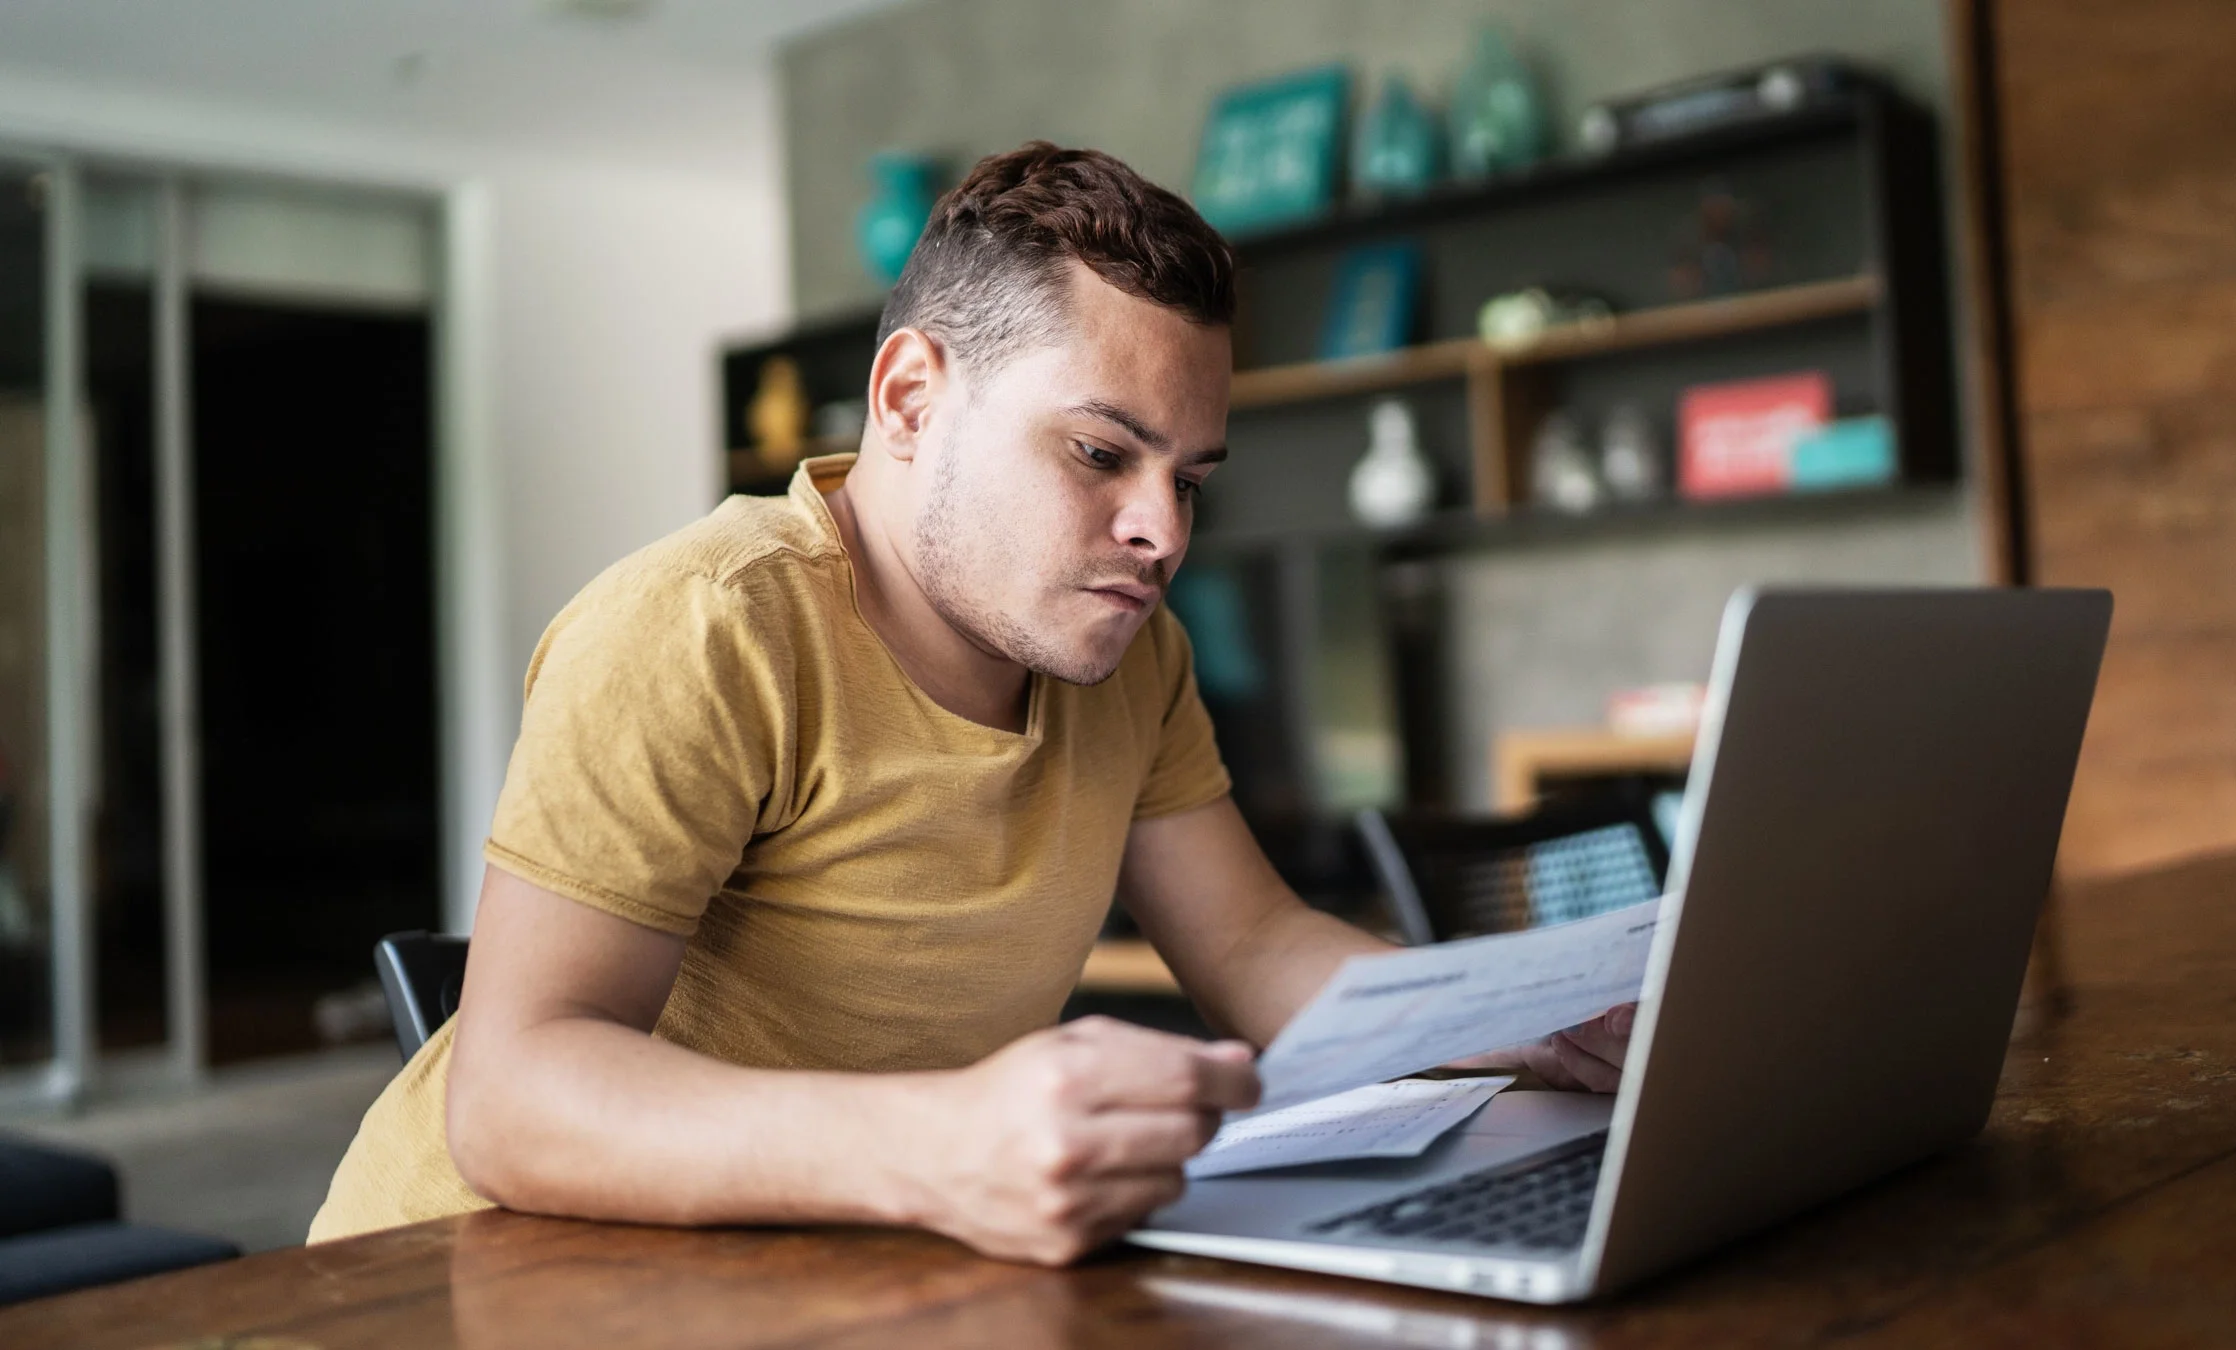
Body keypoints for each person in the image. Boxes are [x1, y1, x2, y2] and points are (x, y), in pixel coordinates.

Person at [310, 143, 1635, 1264]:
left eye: (1191, 476)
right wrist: (946, 1141)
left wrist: (1526, 1018)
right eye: (1101, 453)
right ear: (908, 397)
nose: (1162, 530)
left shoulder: (1132, 656)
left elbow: (1255, 946)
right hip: (472, 1279)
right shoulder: (703, 628)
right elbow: (514, 1094)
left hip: (818, 1272)